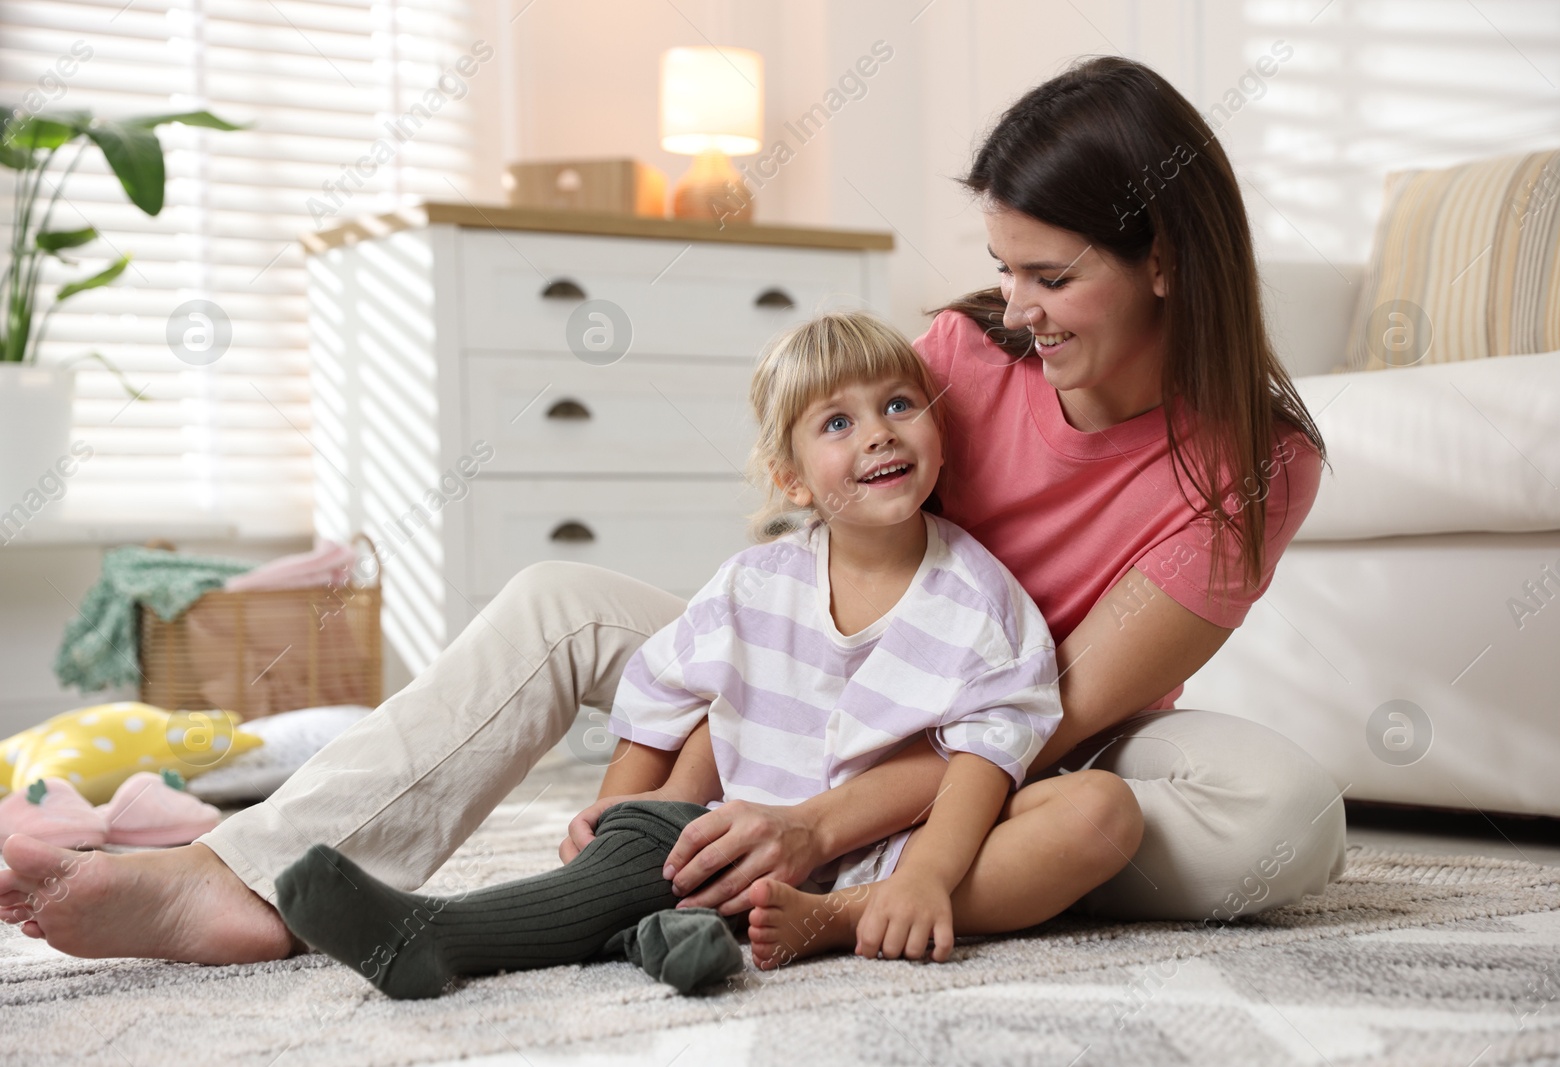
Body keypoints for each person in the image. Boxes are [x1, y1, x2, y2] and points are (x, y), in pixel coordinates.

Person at [0, 55, 1345, 965]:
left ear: (1164, 257)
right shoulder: (961, 350)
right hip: (833, 680)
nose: (1020, 311)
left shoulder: (1253, 466)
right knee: (555, 601)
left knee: (1282, 811)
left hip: (1009, 745)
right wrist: (715, 752)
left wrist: (815, 819)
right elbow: (794, 576)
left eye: (1049, 274)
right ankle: (237, 882)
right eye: (1004, 269)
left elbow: (1048, 710)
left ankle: (844, 901)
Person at [268, 310, 1139, 999]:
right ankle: (573, 924)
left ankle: (816, 921)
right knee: (683, 771)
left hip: (890, 860)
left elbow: (986, 760)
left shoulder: (980, 601)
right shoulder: (755, 585)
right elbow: (659, 698)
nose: (878, 433)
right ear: (793, 478)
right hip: (721, 844)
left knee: (1097, 812)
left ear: (936, 432)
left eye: (899, 405)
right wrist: (613, 818)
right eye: (838, 421)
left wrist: (928, 881)